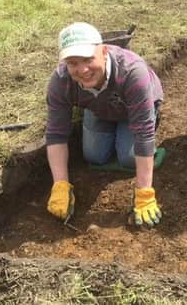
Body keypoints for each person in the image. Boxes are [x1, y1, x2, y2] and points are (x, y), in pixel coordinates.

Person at [45, 22, 164, 227]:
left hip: (133, 110)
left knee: (128, 159)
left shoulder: (133, 72)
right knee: (95, 156)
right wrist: (60, 184)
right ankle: (111, 129)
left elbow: (143, 133)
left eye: (88, 59)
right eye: (73, 62)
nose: (82, 70)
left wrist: (144, 192)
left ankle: (132, 133)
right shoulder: (61, 80)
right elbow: (56, 134)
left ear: (103, 51)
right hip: (99, 108)